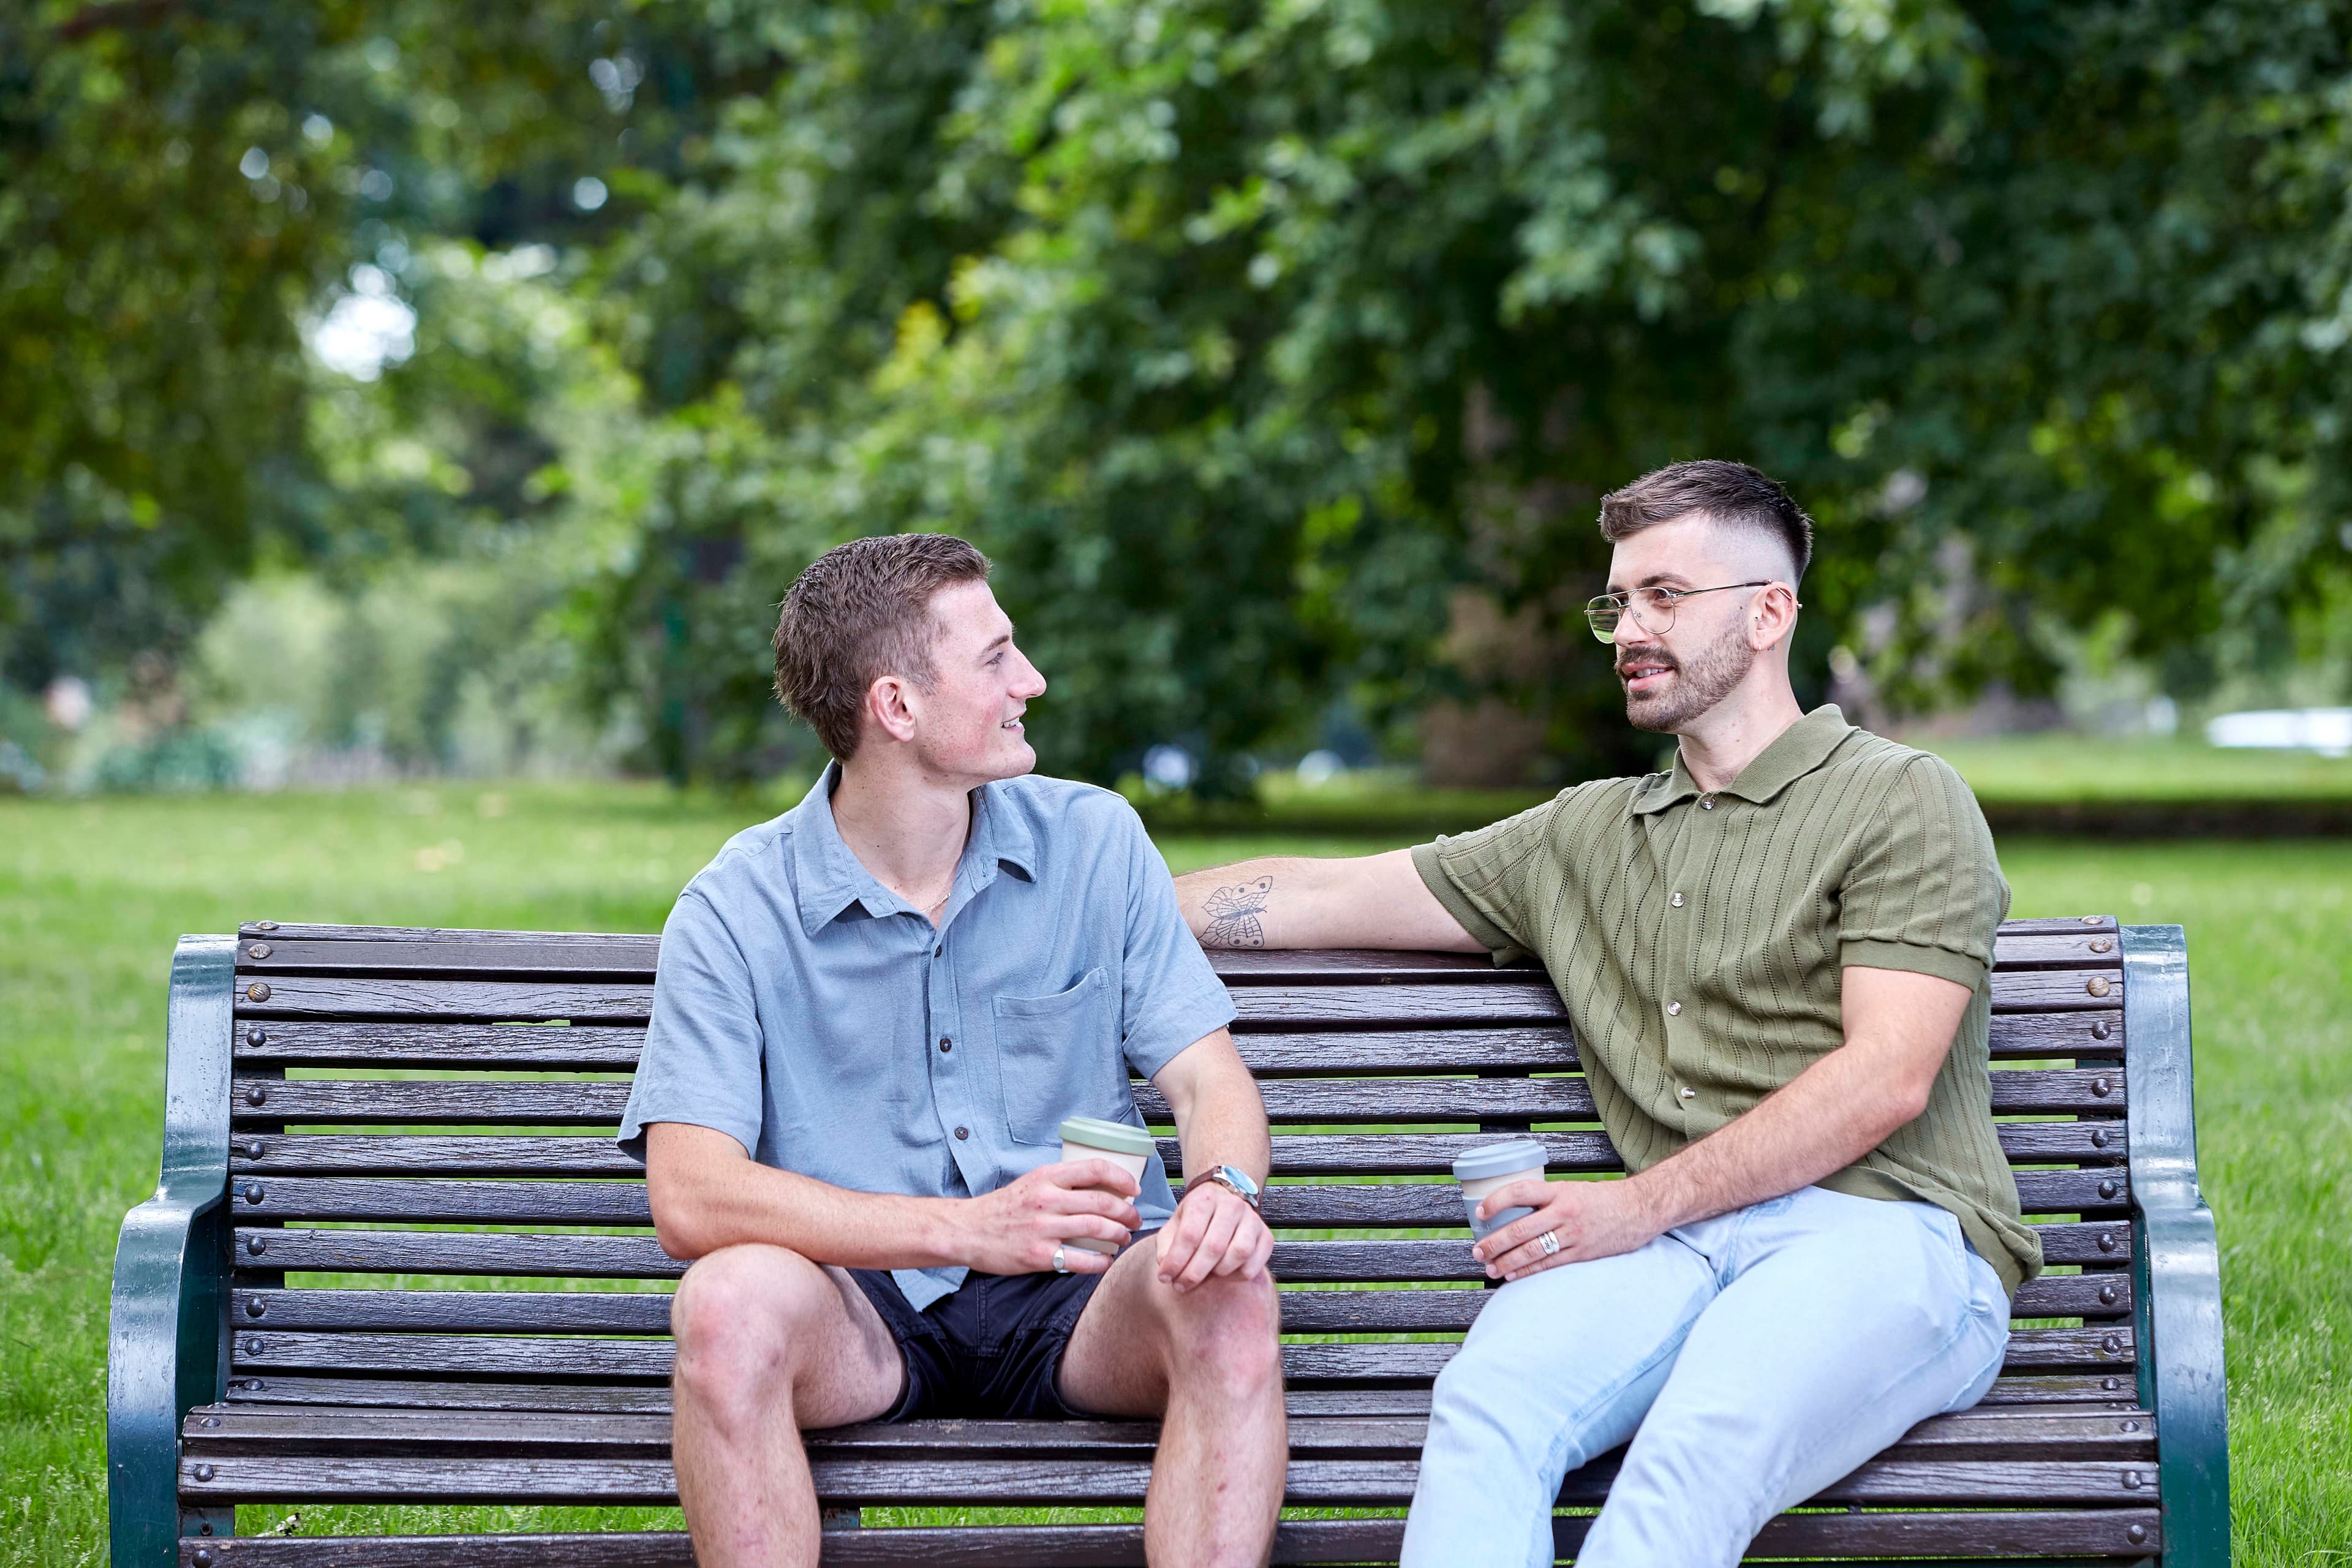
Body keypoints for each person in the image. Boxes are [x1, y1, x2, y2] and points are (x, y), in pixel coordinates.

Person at [1174, 461, 2040, 1567]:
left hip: (1888, 1235)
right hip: (1670, 1250)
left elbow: (1889, 1077)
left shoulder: (1902, 798)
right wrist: (1090, 902)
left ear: (1771, 613)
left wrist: (1634, 1208)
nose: (1629, 627)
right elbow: (1318, 895)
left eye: (1666, 596)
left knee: (1687, 1463)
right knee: (1487, 1410)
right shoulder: (1583, 835)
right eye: (1618, 602)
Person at [621, 533, 1284, 1568]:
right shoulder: (735, 907)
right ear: (896, 707)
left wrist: (1223, 1192)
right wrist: (966, 1228)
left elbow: (1208, 1080)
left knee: (1229, 1294)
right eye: (996, 658)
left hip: (1086, 1289)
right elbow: (690, 1196)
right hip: (860, 1301)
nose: (1033, 680)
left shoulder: (1095, 842)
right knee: (726, 1304)